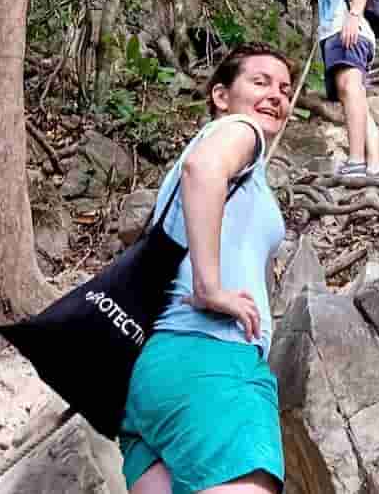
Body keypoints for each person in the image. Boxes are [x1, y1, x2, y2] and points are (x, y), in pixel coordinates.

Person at [120, 42, 292, 494]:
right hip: (211, 360)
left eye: (285, 88)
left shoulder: (223, 168)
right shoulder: (241, 131)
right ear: (221, 96)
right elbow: (204, 168)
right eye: (260, 82)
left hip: (154, 377)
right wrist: (211, 287)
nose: (277, 95)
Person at [295, 0, 379, 177]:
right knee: (352, 96)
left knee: (350, 89)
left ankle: (356, 160)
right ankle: (374, 165)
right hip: (339, 35)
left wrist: (353, 18)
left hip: (349, 33)